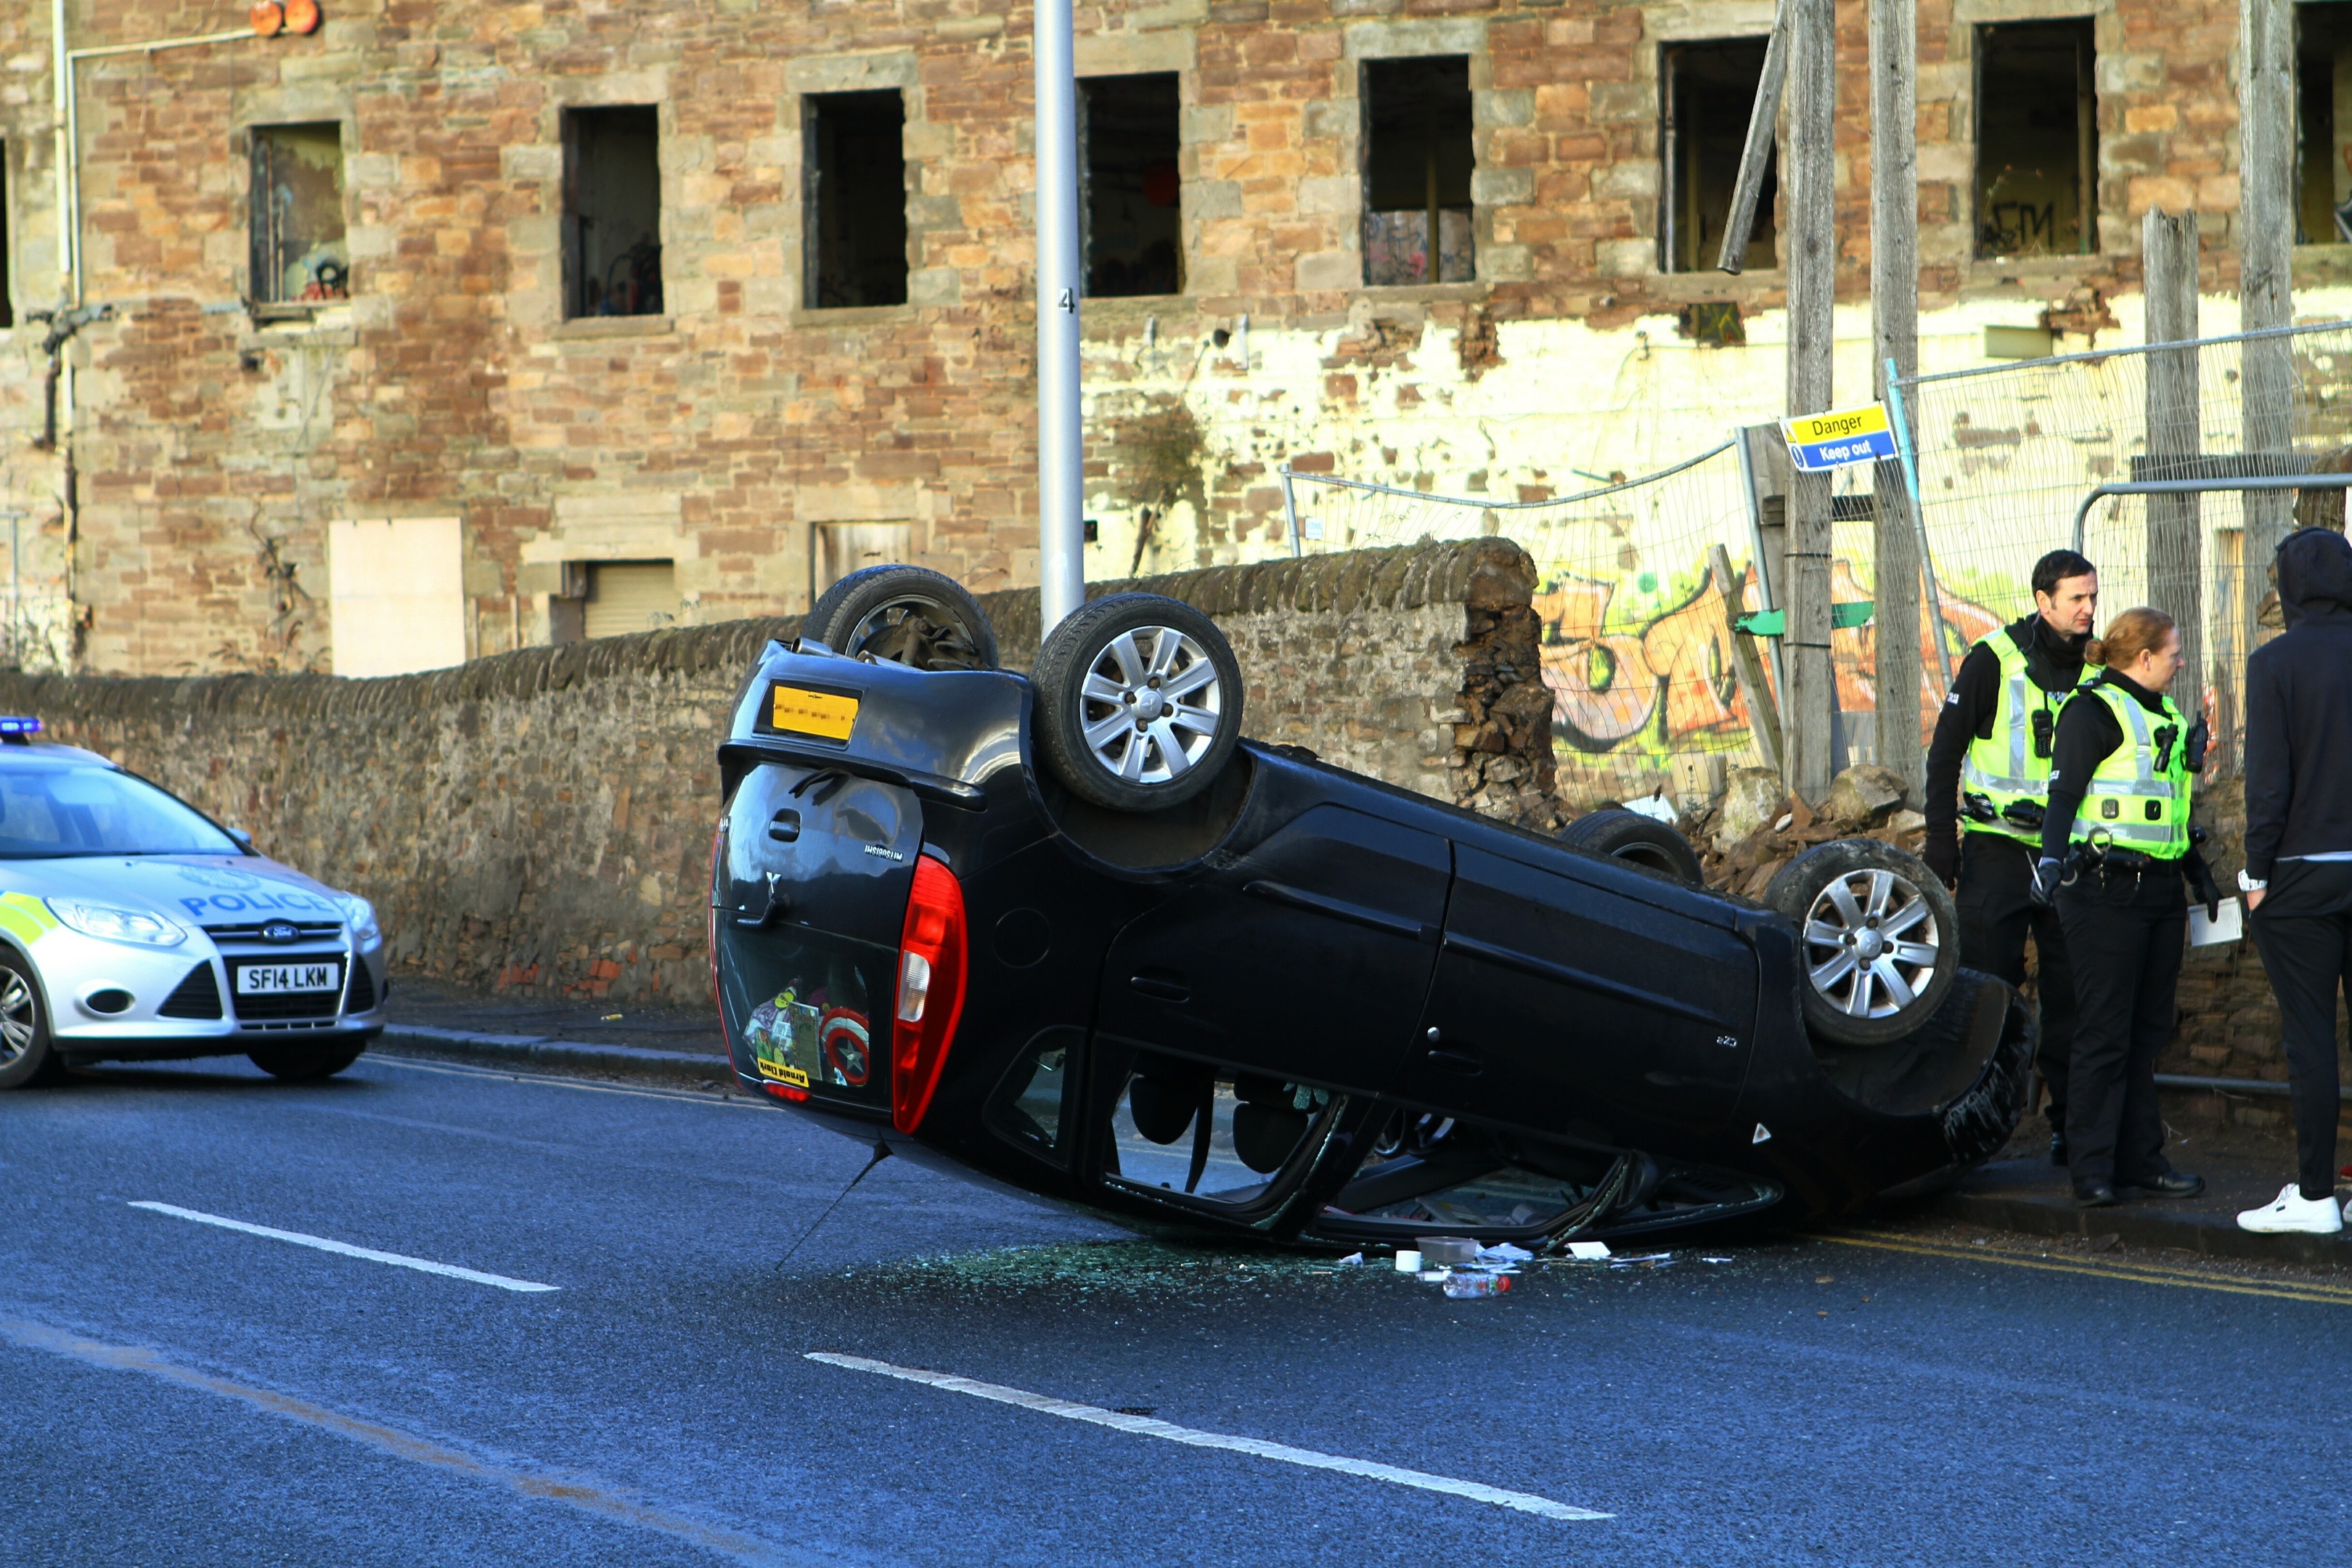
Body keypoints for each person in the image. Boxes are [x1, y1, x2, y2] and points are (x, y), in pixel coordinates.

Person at [2030, 606, 2218, 1207]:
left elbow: (2170, 808)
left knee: (2146, 1034)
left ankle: (2141, 1162)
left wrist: (2198, 873)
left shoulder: (2161, 712)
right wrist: (2052, 863)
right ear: (2143, 659)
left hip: (2160, 891)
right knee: (2104, 1034)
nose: (2181, 660)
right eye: (2173, 652)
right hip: (2105, 892)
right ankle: (2092, 1169)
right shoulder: (2093, 712)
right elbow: (2062, 797)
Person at [1923, 548, 2097, 1163]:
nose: (2087, 610)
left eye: (2092, 597)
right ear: (2042, 600)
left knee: (2073, 993)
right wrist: (1942, 842)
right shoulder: (1992, 660)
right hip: (1997, 848)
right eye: (2075, 599)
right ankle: (1968, 1125)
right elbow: (1944, 753)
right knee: (1985, 987)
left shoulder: (2101, 667)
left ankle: (2072, 1128)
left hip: (2073, 853)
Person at [2235, 527, 2352, 1236]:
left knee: (2312, 1039)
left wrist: (2255, 873)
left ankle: (2314, 1198)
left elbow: (2268, 785)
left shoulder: (2275, 661)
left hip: (2301, 877)